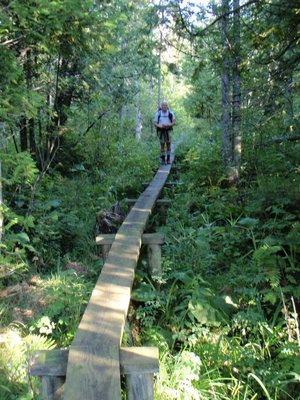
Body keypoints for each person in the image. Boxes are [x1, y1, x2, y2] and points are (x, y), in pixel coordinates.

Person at [154, 100, 176, 165]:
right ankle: (163, 160)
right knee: (162, 145)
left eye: (165, 105)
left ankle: (168, 159)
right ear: (161, 106)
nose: (164, 106)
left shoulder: (170, 113)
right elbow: (155, 122)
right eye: (163, 105)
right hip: (161, 131)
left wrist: (169, 125)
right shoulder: (158, 113)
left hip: (169, 130)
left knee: (169, 144)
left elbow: (174, 121)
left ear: (167, 106)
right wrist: (160, 126)